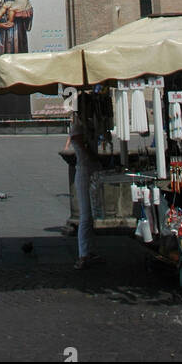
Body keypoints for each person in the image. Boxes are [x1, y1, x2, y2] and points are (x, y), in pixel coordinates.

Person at [60, 114, 102, 270]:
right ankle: (83, 254)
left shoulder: (83, 125)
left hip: (89, 172)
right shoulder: (77, 128)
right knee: (85, 216)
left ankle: (89, 251)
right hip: (84, 172)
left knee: (90, 216)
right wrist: (94, 155)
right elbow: (82, 148)